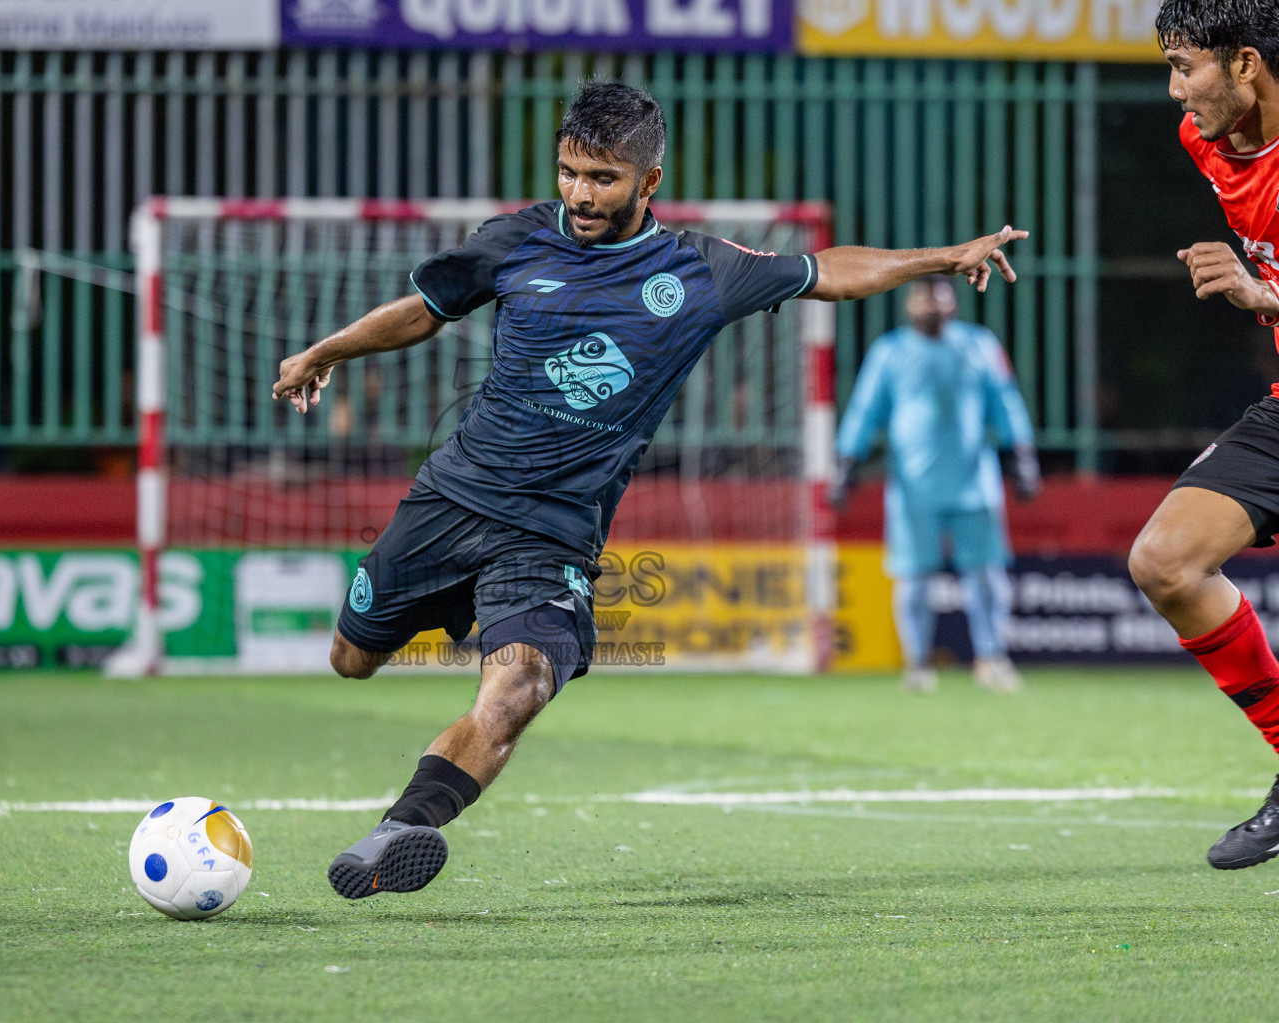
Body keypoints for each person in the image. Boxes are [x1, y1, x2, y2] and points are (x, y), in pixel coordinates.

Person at [271, 81, 1028, 900]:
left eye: (601, 178)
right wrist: (326, 352)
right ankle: (447, 622)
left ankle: (400, 832)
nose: (580, 194)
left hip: (553, 536)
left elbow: (828, 274)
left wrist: (943, 257)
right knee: (352, 659)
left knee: (519, 688)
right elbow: (424, 310)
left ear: (648, 180)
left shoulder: (698, 271)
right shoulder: (515, 242)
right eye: (568, 173)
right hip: (452, 500)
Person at [1130, 0, 1279, 871]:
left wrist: (1265, 297)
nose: (1176, 89)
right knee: (1166, 560)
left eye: (1186, 66)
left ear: (1248, 64)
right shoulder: (1208, 143)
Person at [831, 277, 1039, 694]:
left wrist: (1022, 454)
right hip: (913, 486)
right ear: (910, 304)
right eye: (923, 297)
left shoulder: (979, 345)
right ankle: (917, 664)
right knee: (913, 577)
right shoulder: (890, 352)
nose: (931, 304)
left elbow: (1006, 400)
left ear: (952, 301)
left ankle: (992, 657)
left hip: (974, 480)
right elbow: (865, 410)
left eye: (938, 296)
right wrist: (847, 462)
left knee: (985, 574)